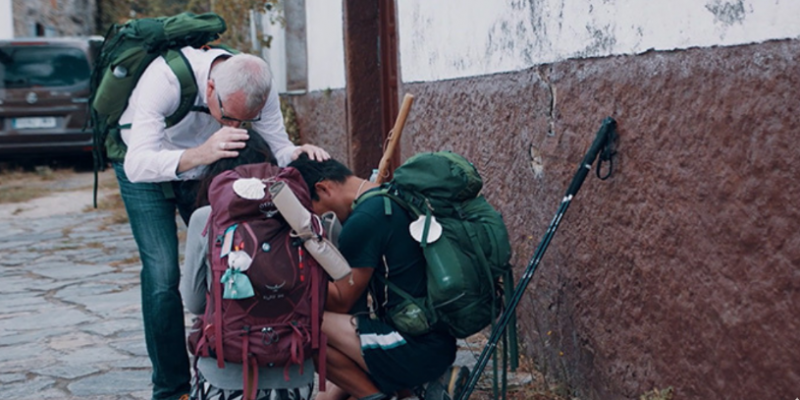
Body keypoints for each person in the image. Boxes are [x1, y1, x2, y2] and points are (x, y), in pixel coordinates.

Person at [114, 47, 328, 400]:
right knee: (163, 275)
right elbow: (138, 163)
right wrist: (203, 153)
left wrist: (300, 154)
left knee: (229, 255)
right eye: (229, 117)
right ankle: (171, 389)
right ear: (210, 89)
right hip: (148, 171)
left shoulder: (258, 84)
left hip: (212, 170)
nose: (234, 127)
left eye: (246, 121)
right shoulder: (164, 80)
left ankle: (236, 349)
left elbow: (278, 148)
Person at [287, 155, 464, 400]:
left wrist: (290, 278)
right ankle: (411, 389)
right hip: (435, 342)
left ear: (323, 188)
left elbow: (341, 301)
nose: (316, 220)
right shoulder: (388, 195)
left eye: (311, 211)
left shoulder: (363, 221)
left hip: (413, 350)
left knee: (302, 325)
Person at [180, 132, 314, 400]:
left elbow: (194, 302)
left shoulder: (206, 218)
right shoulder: (301, 214)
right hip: (294, 373)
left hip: (225, 375)